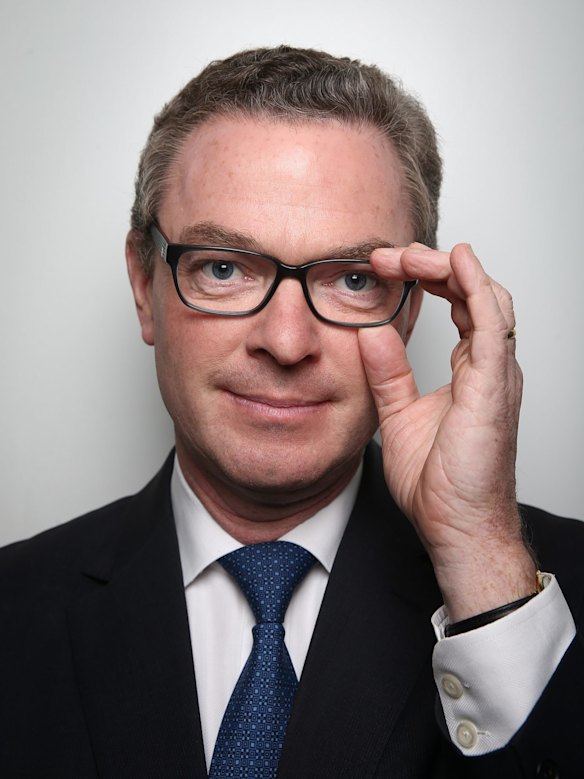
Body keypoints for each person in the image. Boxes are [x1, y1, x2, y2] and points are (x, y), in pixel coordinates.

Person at [1, 45, 583, 779]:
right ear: (146, 288)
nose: (285, 341)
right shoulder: (14, 606)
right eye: (222, 267)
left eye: (352, 280)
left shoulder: (534, 595)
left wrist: (480, 554)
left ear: (409, 310)